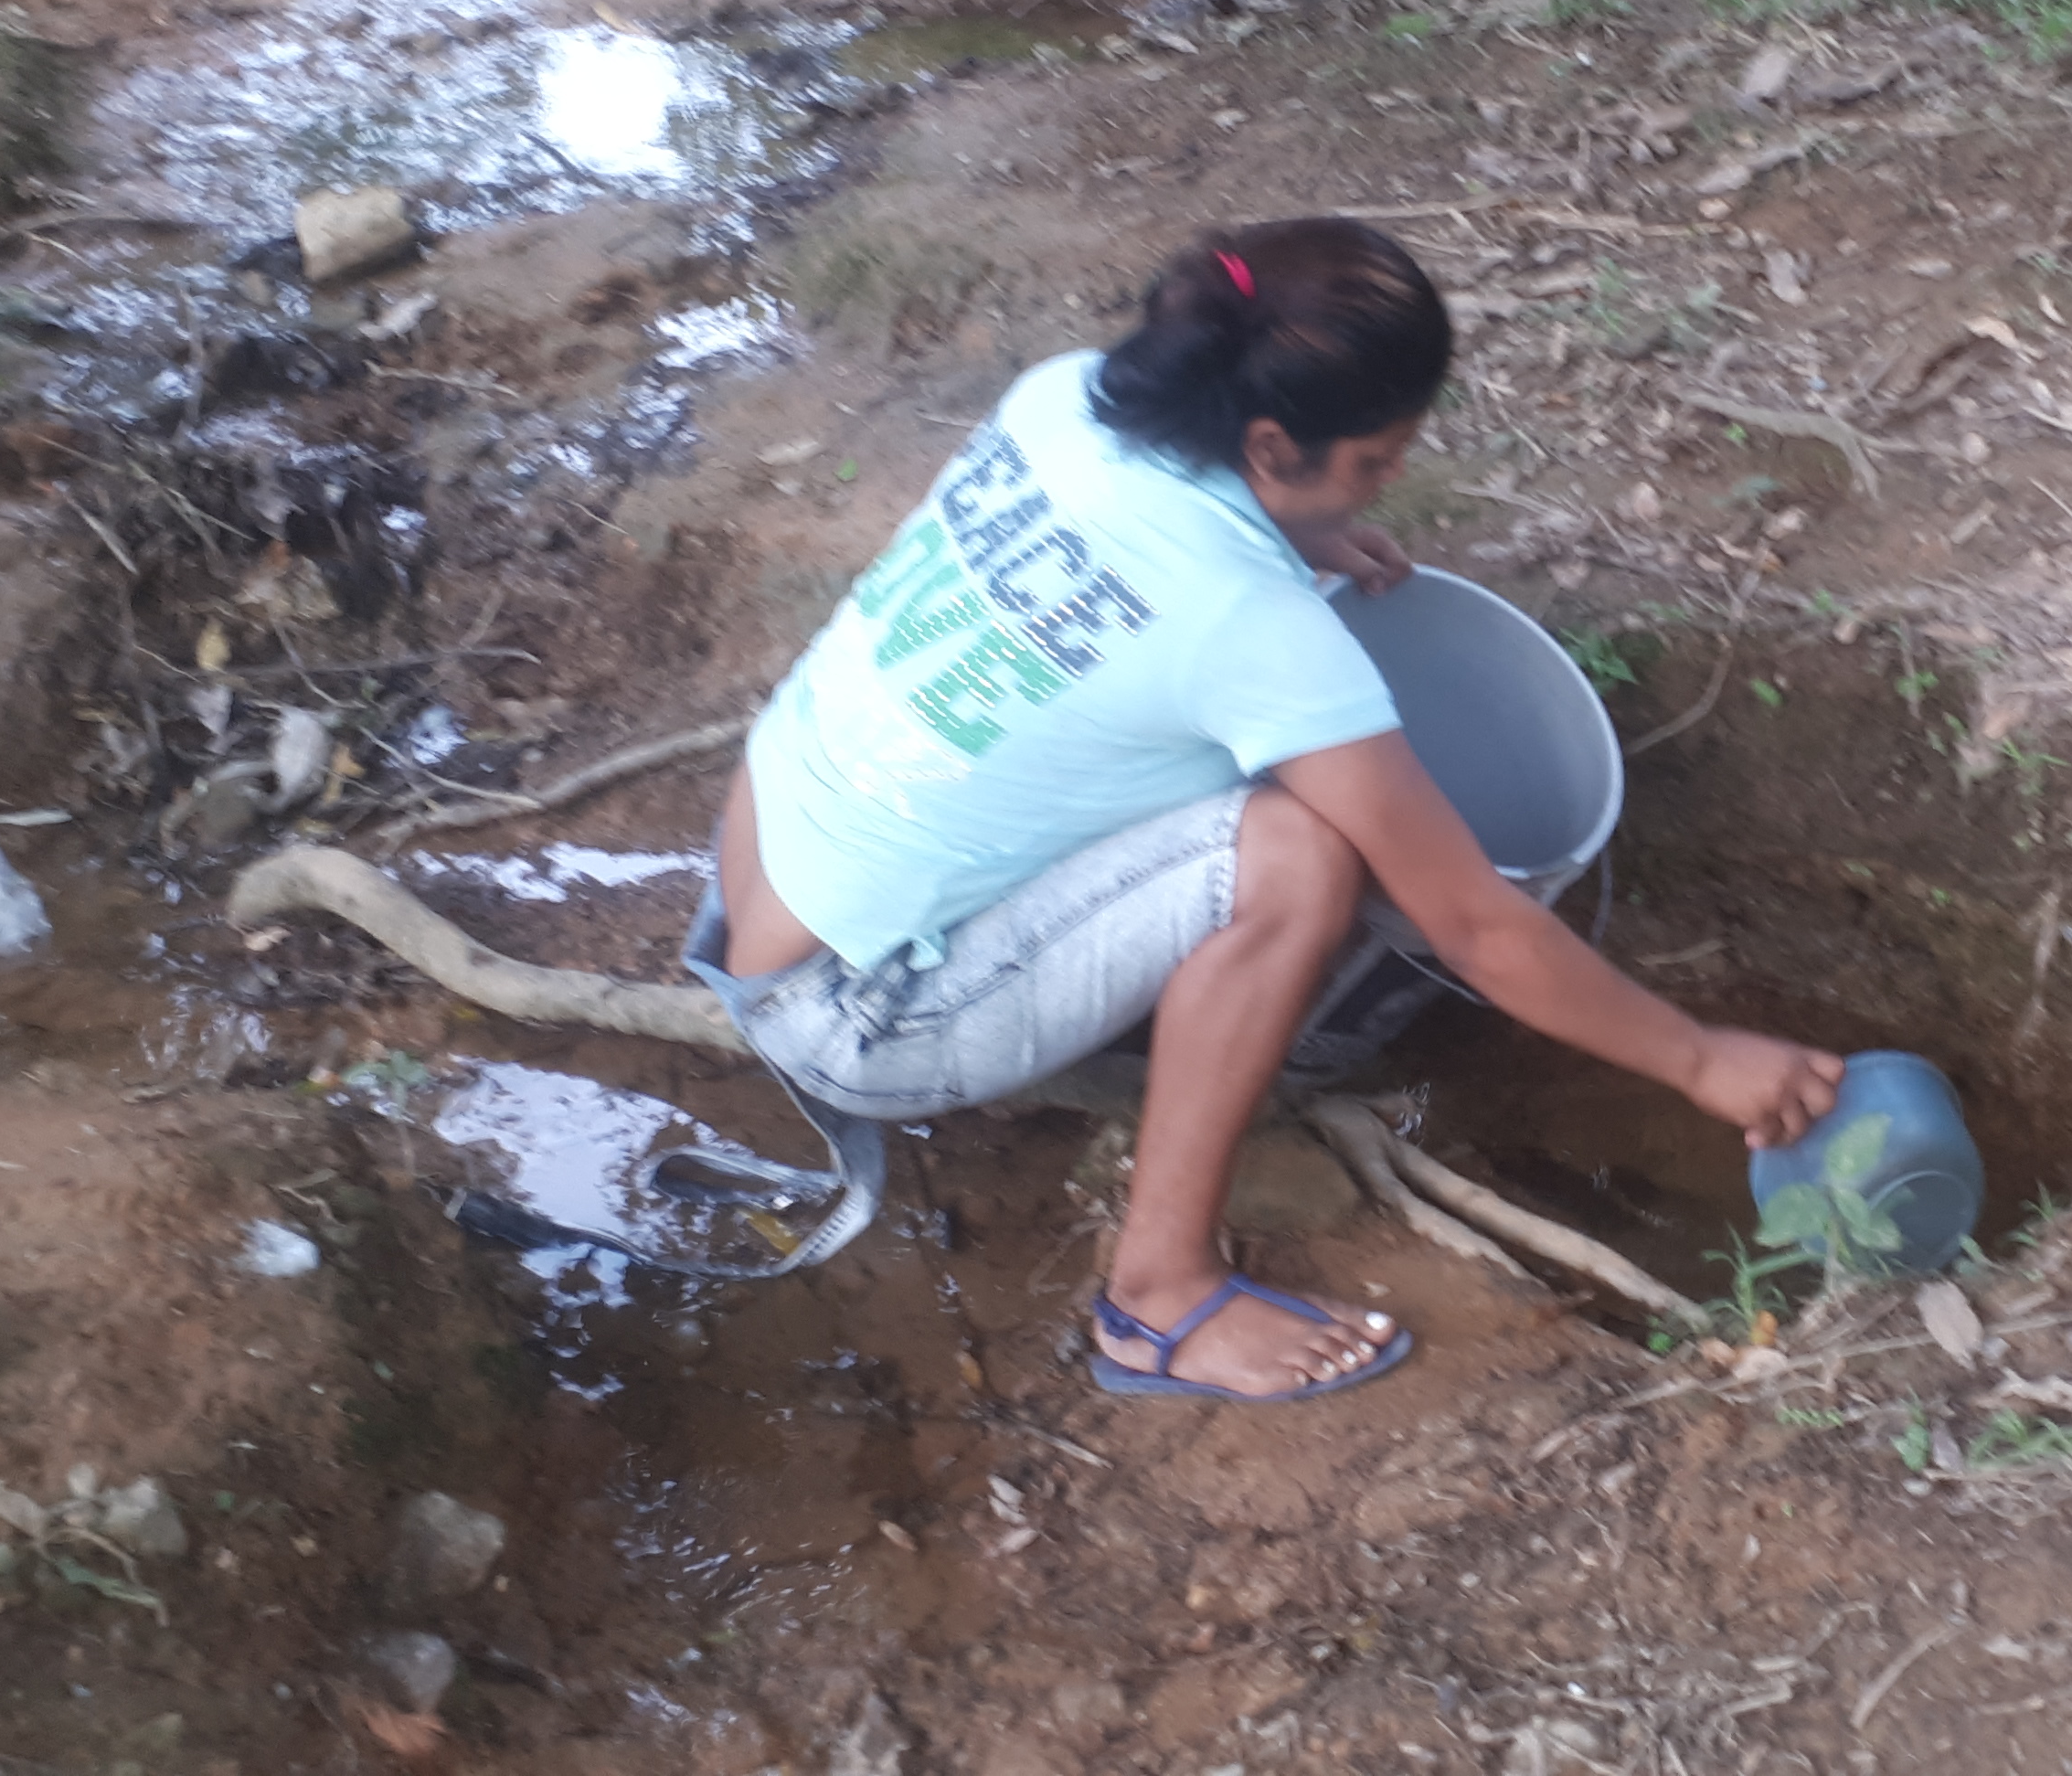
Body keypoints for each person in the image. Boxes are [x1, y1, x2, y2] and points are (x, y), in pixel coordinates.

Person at [692, 217, 1845, 1402]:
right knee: (1293, 855)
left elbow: (1126, 577)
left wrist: (1303, 530)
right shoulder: (1250, 627)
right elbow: (1479, 928)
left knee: (1220, 767)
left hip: (757, 860)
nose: (1395, 478)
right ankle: (1157, 1301)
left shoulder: (1066, 399)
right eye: (1374, 461)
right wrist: (1703, 1061)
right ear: (1269, 444)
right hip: (851, 1013)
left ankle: (1140, 1028)